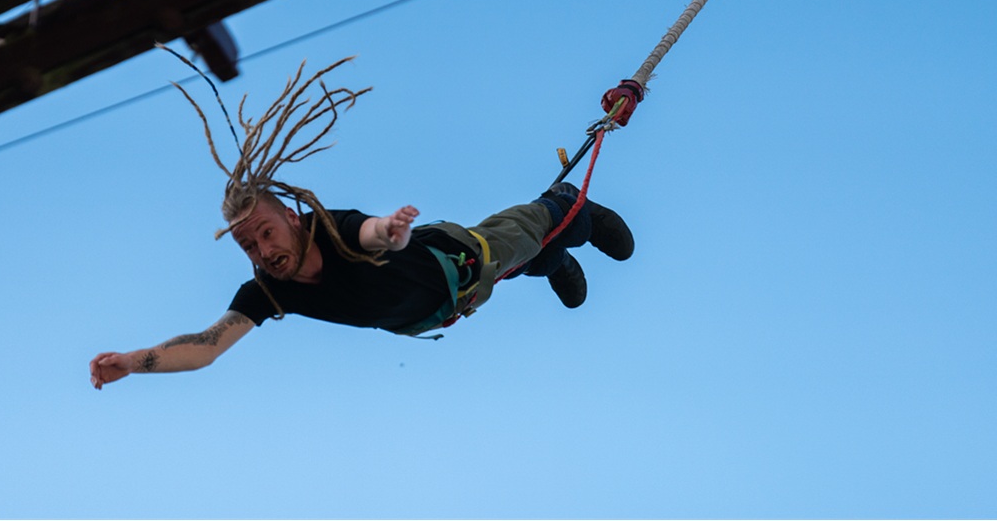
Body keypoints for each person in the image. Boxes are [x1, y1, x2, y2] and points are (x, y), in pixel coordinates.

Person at [89, 59, 634, 388]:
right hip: (456, 301)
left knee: (545, 228)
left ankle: (570, 205)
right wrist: (133, 363)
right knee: (531, 262)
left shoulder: (333, 228)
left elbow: (371, 231)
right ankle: (556, 259)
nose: (261, 250)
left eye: (266, 232)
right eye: (247, 244)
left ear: (295, 218)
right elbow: (207, 346)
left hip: (464, 256)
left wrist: (390, 232)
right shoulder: (269, 290)